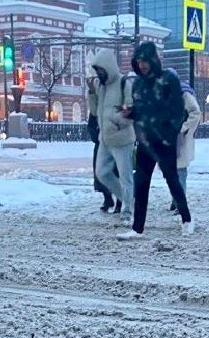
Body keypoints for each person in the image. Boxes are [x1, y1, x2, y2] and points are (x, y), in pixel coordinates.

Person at [117, 41, 192, 238]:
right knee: (140, 184)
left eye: (145, 60)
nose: (141, 65)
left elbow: (177, 110)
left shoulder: (168, 79)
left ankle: (187, 219)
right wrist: (131, 113)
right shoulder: (138, 84)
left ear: (153, 60)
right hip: (144, 142)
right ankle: (137, 228)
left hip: (163, 141)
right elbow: (143, 111)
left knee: (172, 181)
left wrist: (170, 135)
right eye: (139, 61)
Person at [90, 49, 135, 224]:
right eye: (97, 70)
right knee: (101, 173)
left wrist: (117, 120)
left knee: (126, 177)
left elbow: (131, 112)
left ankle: (128, 210)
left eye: (100, 70)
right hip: (105, 139)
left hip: (122, 139)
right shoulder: (101, 87)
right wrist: (91, 94)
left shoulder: (124, 83)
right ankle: (127, 199)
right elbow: (95, 112)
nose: (98, 73)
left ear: (108, 67)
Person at [85, 77, 118, 213]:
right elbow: (91, 123)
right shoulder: (97, 109)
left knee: (117, 173)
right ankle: (107, 198)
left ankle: (120, 202)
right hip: (101, 145)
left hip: (116, 145)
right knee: (101, 174)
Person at [171, 80, 202, 213]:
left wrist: (183, 128)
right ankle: (176, 199)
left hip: (179, 137)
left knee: (180, 170)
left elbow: (195, 112)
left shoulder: (183, 95)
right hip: (170, 136)